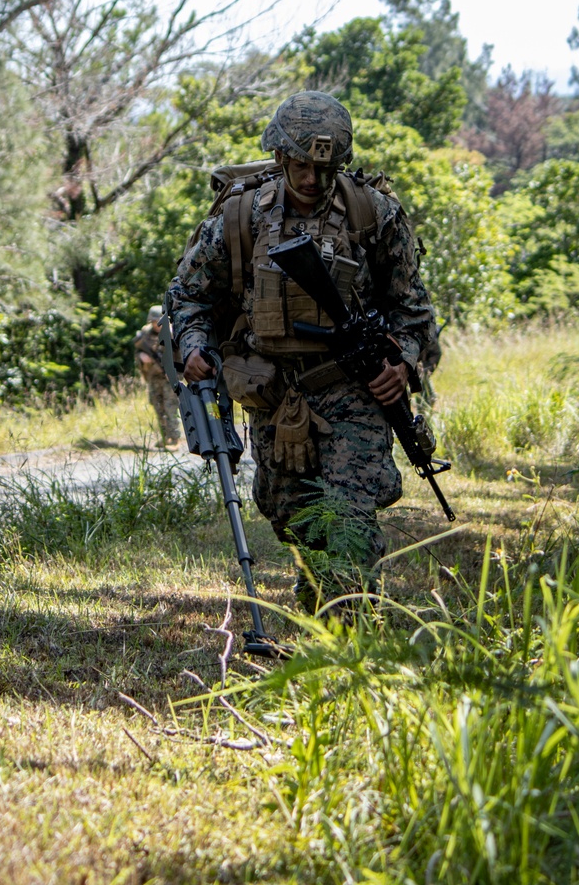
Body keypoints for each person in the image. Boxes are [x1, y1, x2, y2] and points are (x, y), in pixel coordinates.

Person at [168, 91, 440, 608]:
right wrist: (195, 343)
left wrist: (402, 361)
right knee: (290, 514)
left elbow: (413, 308)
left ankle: (350, 632)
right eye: (301, 166)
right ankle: (321, 604)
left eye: (326, 167)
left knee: (348, 516)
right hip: (273, 394)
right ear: (279, 158)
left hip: (352, 389)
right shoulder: (241, 217)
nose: (313, 179)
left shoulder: (372, 214)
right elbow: (188, 295)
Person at [134, 304, 181, 447]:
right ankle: (165, 436)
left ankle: (175, 438)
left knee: (170, 407)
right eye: (154, 322)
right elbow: (137, 352)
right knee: (158, 406)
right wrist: (141, 357)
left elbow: (182, 357)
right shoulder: (145, 335)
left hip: (170, 378)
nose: (156, 325)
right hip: (153, 377)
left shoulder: (173, 334)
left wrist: (175, 373)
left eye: (159, 321)